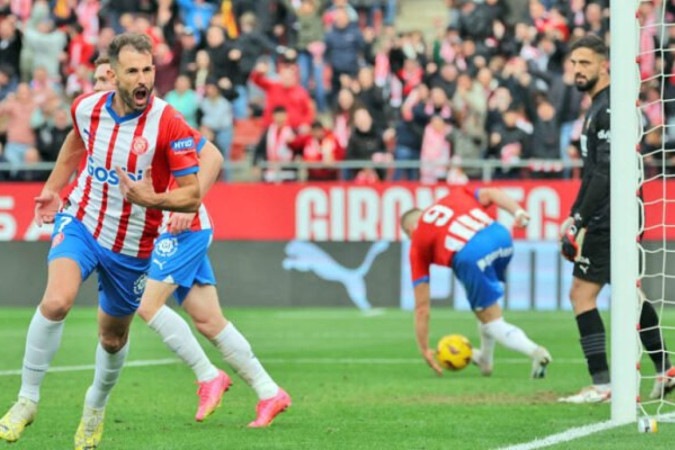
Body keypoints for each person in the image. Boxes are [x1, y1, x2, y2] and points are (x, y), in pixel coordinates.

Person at [0, 33, 204, 450]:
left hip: (132, 243)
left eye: (148, 69)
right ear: (113, 75)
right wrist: (55, 188)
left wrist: (154, 199)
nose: (143, 78)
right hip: (82, 221)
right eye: (133, 71)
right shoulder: (88, 107)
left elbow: (193, 193)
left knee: (113, 338)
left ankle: (95, 406)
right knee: (56, 300)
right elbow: (77, 141)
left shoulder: (169, 123)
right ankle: (26, 400)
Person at [94, 44, 292, 428]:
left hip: (182, 227)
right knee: (209, 320)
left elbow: (213, 156)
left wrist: (187, 203)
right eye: (104, 77)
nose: (112, 82)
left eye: (141, 71)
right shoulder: (98, 121)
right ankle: (270, 393)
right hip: (158, 229)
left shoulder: (159, 117)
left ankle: (208, 376)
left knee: (147, 306)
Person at [558, 34, 675, 403]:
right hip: (613, 212)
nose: (578, 69)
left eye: (585, 63)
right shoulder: (598, 107)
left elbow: (607, 172)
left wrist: (580, 219)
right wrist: (575, 216)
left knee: (581, 294)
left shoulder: (608, 109)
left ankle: (604, 385)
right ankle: (666, 368)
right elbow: (592, 171)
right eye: (574, 63)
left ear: (604, 65)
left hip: (613, 214)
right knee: (630, 294)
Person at [400, 187, 552, 378]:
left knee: (491, 319)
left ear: (409, 230)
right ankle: (485, 361)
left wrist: (424, 349)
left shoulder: (417, 244)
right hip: (501, 236)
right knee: (485, 308)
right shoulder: (452, 195)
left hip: (471, 255)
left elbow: (422, 308)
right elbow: (492, 193)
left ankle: (535, 352)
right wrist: (518, 211)